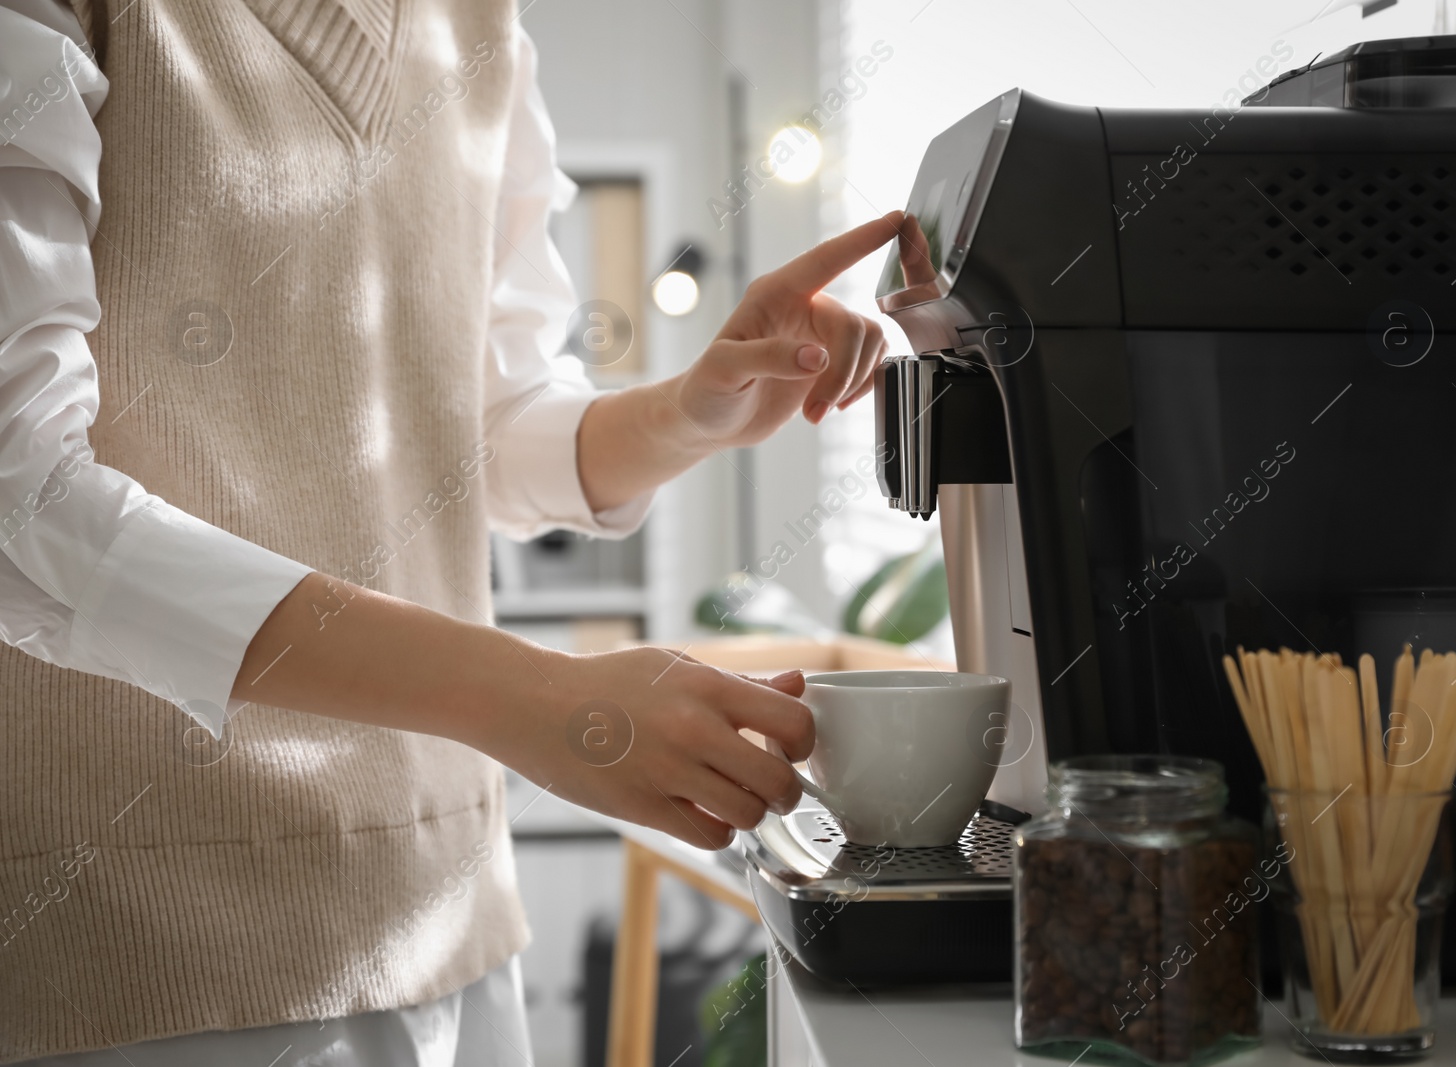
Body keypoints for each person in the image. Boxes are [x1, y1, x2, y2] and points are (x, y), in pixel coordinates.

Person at [0, 0, 900, 1062]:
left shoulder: (479, 23)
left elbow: (480, 424)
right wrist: (534, 696)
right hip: (139, 935)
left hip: (448, 905)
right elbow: (25, 494)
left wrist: (684, 412)